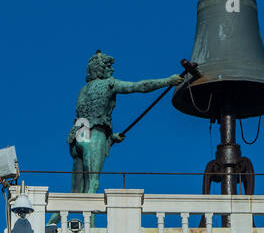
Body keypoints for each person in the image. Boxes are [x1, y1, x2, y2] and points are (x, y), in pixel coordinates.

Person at [68, 50, 185, 194]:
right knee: (92, 184)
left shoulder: (83, 89)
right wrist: (168, 81)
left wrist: (110, 137)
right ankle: (90, 217)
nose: (112, 69)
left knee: (75, 190)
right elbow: (139, 86)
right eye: (108, 67)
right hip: (95, 133)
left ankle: (52, 217)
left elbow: (86, 117)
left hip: (78, 135)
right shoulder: (109, 84)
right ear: (100, 69)